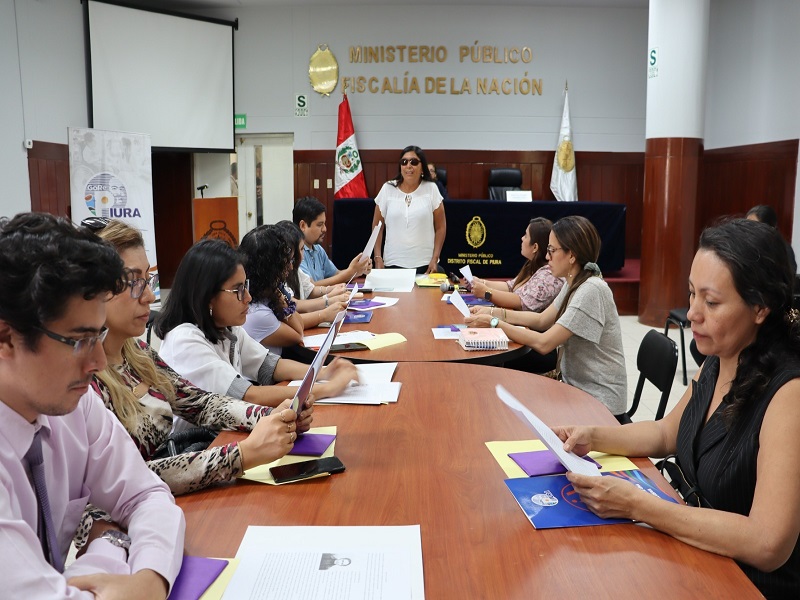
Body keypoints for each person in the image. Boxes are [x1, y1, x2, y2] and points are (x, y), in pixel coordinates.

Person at [555, 219, 800, 598]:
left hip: (746, 583)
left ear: (760, 308)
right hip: (696, 553)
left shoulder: (789, 394)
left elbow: (767, 543)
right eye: (691, 295)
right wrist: (594, 436)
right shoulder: (719, 357)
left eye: (712, 302)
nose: (692, 314)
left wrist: (640, 505)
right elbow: (667, 432)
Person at [0, 212, 184, 598]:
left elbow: (146, 496)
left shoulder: (70, 407)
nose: (99, 361)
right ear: (5, 337)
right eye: (80, 340)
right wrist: (113, 549)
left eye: (99, 334)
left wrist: (151, 577)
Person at [87, 219, 305, 498]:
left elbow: (200, 403)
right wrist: (241, 455)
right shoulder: (85, 380)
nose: (150, 296)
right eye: (134, 283)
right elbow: (129, 477)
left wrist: (272, 416)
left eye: (148, 280)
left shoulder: (138, 354)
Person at [155, 239, 357, 406]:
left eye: (246, 286)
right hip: (202, 445)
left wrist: (322, 372)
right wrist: (327, 388)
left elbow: (270, 365)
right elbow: (247, 395)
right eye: (238, 290)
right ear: (206, 295)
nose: (248, 297)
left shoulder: (227, 327)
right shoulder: (184, 341)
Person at [465, 216, 627, 417]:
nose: (547, 257)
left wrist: (495, 322)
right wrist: (493, 312)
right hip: (575, 387)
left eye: (552, 250)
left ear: (572, 255)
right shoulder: (573, 281)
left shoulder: (591, 290)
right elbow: (541, 319)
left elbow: (543, 343)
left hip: (599, 401)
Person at [372, 146, 447, 274]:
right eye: (404, 162)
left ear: (422, 167)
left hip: (425, 266)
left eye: (414, 162)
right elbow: (377, 226)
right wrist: (377, 257)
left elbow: (441, 227)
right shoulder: (387, 189)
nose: (408, 166)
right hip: (392, 264)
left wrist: (435, 258)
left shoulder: (431, 189)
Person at [469, 217, 564, 312]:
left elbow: (521, 302)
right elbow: (511, 287)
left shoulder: (548, 275)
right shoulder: (531, 265)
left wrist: (486, 292)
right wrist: (480, 283)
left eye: (526, 236)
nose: (522, 238)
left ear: (535, 247)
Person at [238, 224, 305, 355]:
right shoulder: (256, 312)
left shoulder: (264, 295)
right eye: (287, 261)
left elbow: (299, 322)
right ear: (271, 268)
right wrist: (280, 298)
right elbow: (298, 333)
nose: (291, 267)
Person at [275, 220, 350, 329]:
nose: (303, 255)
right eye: (301, 250)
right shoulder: (279, 276)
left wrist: (332, 290)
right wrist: (328, 302)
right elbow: (294, 304)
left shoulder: (296, 269)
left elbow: (310, 289)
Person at [293, 196, 371, 286]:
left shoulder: (318, 249)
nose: (325, 229)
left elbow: (337, 275)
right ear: (303, 226)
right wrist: (351, 271)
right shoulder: (296, 252)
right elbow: (311, 287)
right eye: (319, 225)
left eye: (324, 224)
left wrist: (359, 270)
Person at [746, 204, 797, 274]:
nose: (748, 230)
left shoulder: (784, 251)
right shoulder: (746, 245)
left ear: (770, 228)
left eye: (754, 226)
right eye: (747, 225)